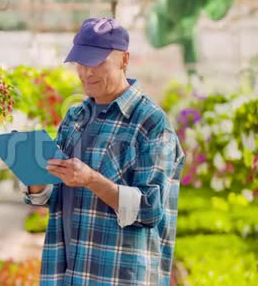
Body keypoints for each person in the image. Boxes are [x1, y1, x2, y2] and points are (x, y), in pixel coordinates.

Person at [23, 18, 185, 285]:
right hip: (67, 273)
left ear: (124, 60)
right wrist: (36, 180)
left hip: (116, 276)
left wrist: (91, 180)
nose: (87, 73)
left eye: (97, 62)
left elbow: (149, 209)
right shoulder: (75, 117)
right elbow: (57, 198)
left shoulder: (149, 123)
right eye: (81, 62)